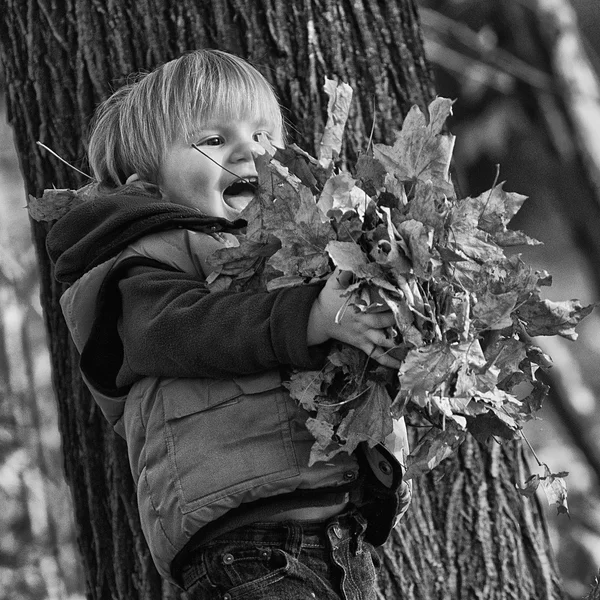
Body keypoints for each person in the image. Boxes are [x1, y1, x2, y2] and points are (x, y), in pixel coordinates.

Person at [47, 49, 411, 600]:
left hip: (342, 544)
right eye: (212, 141)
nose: (248, 151)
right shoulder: (142, 260)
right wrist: (311, 315)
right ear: (146, 181)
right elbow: (189, 330)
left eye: (264, 136)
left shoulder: (300, 258)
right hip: (246, 547)